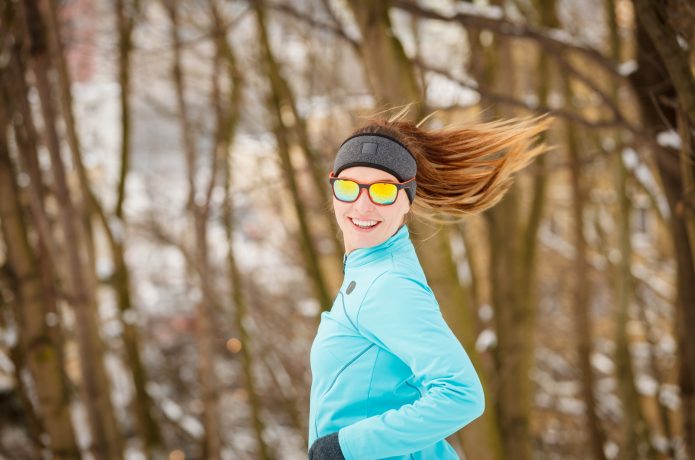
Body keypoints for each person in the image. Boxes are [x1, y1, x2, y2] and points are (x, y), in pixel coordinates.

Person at [307, 108, 554, 460]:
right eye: (349, 187)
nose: (362, 205)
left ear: (406, 198)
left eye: (382, 191)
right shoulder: (368, 270)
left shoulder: (387, 284)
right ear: (333, 189)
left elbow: (461, 395)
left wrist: (343, 448)